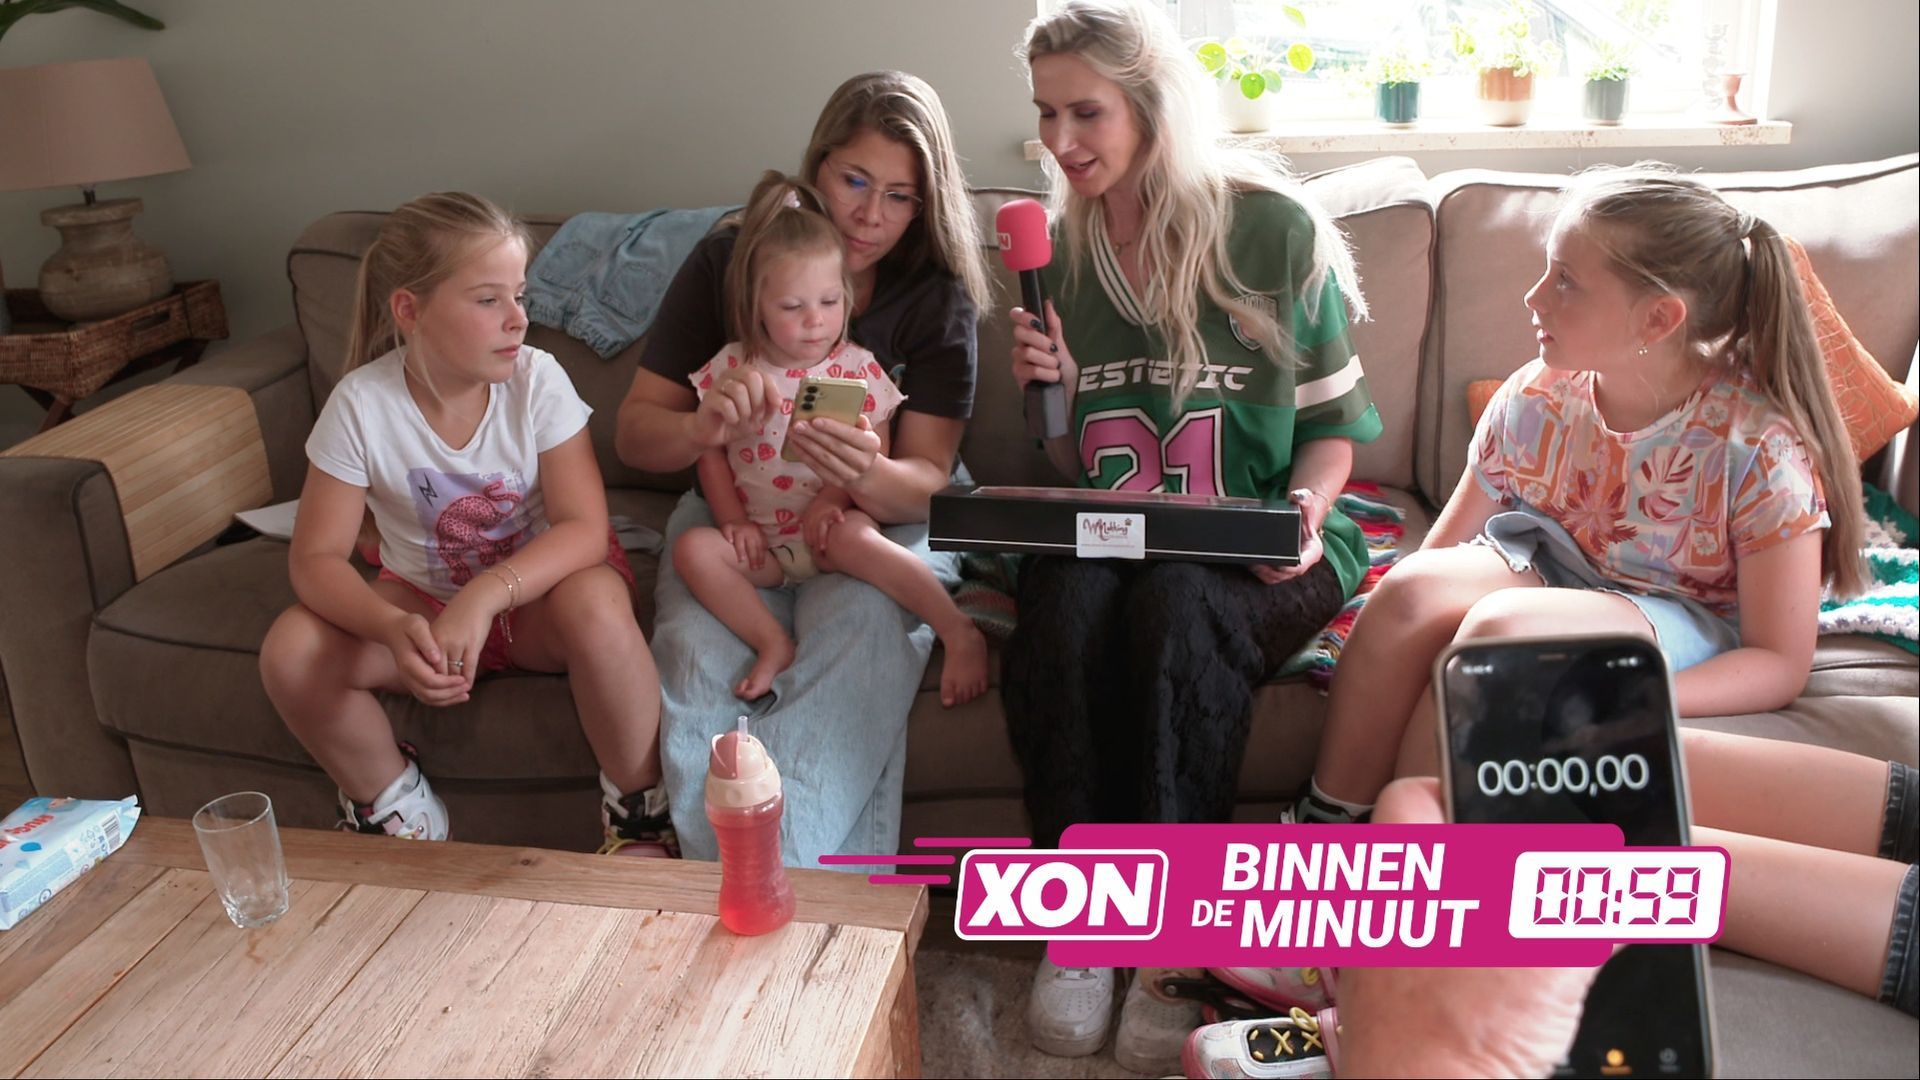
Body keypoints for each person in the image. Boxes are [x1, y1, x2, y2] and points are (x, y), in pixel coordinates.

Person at [1004, 1, 1382, 1066]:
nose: (1060, 141)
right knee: (1063, 596)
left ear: (1152, 106)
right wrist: (1058, 395)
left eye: (1086, 112)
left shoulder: (1271, 230)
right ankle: (1083, 921)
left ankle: (1177, 936)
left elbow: (1332, 438)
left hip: (1258, 544)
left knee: (1176, 606)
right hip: (1124, 538)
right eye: (1044, 114)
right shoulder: (1059, 256)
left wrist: (1303, 517)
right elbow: (1084, 473)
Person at [1293, 163, 1868, 826]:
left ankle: (1413, 850)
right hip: (1556, 569)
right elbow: (1441, 552)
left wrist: (1639, 696)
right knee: (1411, 592)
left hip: (1679, 613)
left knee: (1498, 635)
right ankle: (1324, 823)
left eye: (1565, 280)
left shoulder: (1758, 447)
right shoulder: (1535, 397)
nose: (1534, 296)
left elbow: (1780, 661)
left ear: (1658, 319)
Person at [613, 72, 991, 869]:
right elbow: (636, 437)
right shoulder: (730, 262)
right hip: (736, 509)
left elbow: (929, 478)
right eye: (854, 180)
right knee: (694, 659)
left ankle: (780, 876)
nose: (870, 214)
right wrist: (701, 427)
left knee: (862, 637)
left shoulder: (933, 296)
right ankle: (746, 878)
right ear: (818, 164)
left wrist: (863, 478)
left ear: (924, 206)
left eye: (899, 196)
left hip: (876, 513)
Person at [260, 192, 673, 856]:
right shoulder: (360, 405)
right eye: (488, 300)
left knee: (598, 602)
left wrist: (485, 596)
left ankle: (639, 813)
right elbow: (315, 561)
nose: (518, 319)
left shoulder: (537, 381)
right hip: (423, 609)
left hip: (538, 600)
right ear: (409, 310)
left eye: (520, 296)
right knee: (291, 650)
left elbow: (583, 526)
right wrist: (390, 627)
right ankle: (397, 805)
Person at [672, 170, 989, 705]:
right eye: (792, 307)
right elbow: (711, 456)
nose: (815, 322)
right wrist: (733, 523)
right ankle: (772, 642)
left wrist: (832, 500)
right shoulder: (731, 368)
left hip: (831, 529)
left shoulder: (857, 369)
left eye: (829, 302)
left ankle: (958, 629)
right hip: (764, 540)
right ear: (756, 304)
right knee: (692, 550)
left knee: (858, 539)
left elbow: (873, 450)